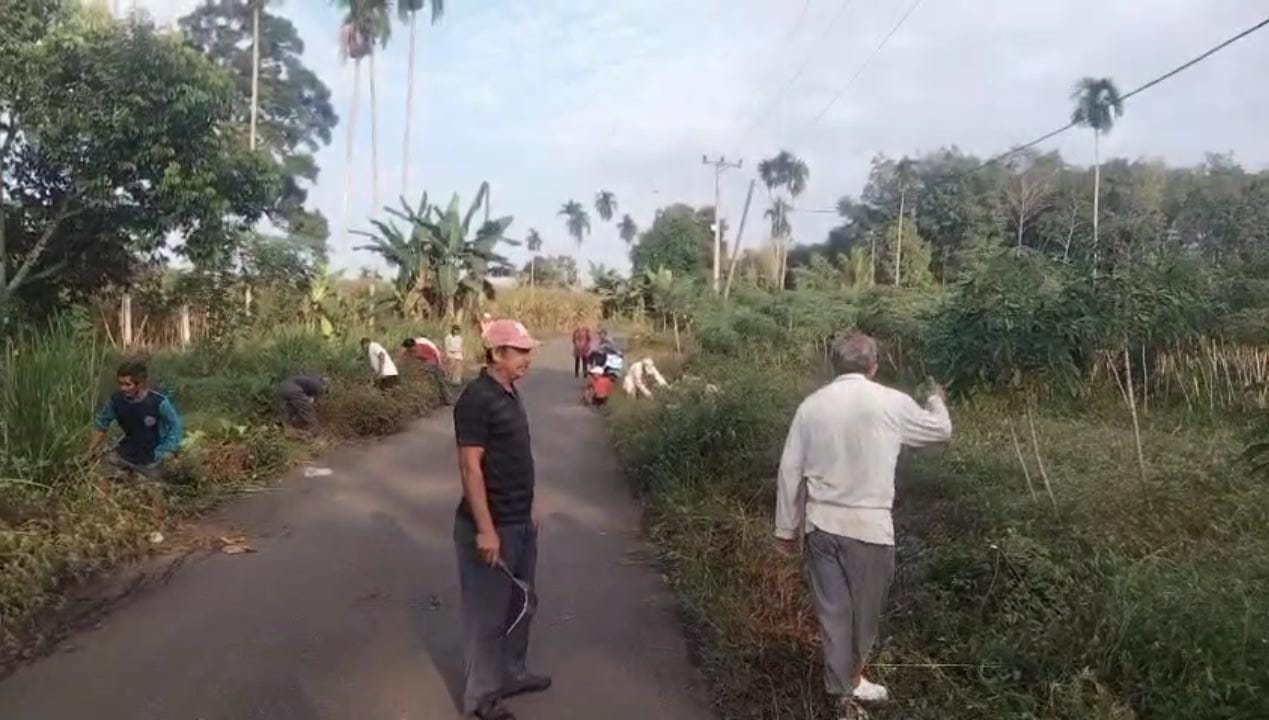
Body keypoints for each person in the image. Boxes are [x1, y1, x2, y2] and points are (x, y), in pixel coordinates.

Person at [774, 334, 952, 720]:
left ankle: (846, 684)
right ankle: (845, 689)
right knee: (864, 617)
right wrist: (935, 399)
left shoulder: (811, 407)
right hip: (870, 529)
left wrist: (785, 529)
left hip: (821, 527)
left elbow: (790, 470)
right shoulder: (891, 402)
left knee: (834, 614)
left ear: (835, 365)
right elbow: (941, 431)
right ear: (873, 366)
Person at [452, 319, 551, 720]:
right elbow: (470, 468)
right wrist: (485, 529)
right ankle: (482, 697)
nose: (527, 359)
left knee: (522, 603)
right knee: (487, 615)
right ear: (496, 354)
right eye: (520, 351)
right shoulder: (476, 399)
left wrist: (531, 506)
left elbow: (517, 456)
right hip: (493, 526)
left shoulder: (509, 392)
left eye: (528, 351)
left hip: (519, 519)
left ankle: (512, 673)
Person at [89, 360, 184, 480]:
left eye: (128, 385)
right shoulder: (116, 401)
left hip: (152, 459)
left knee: (154, 482)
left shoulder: (159, 403)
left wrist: (165, 450)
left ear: (140, 384)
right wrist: (90, 451)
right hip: (124, 455)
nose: (123, 388)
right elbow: (101, 425)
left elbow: (176, 427)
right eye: (120, 384)